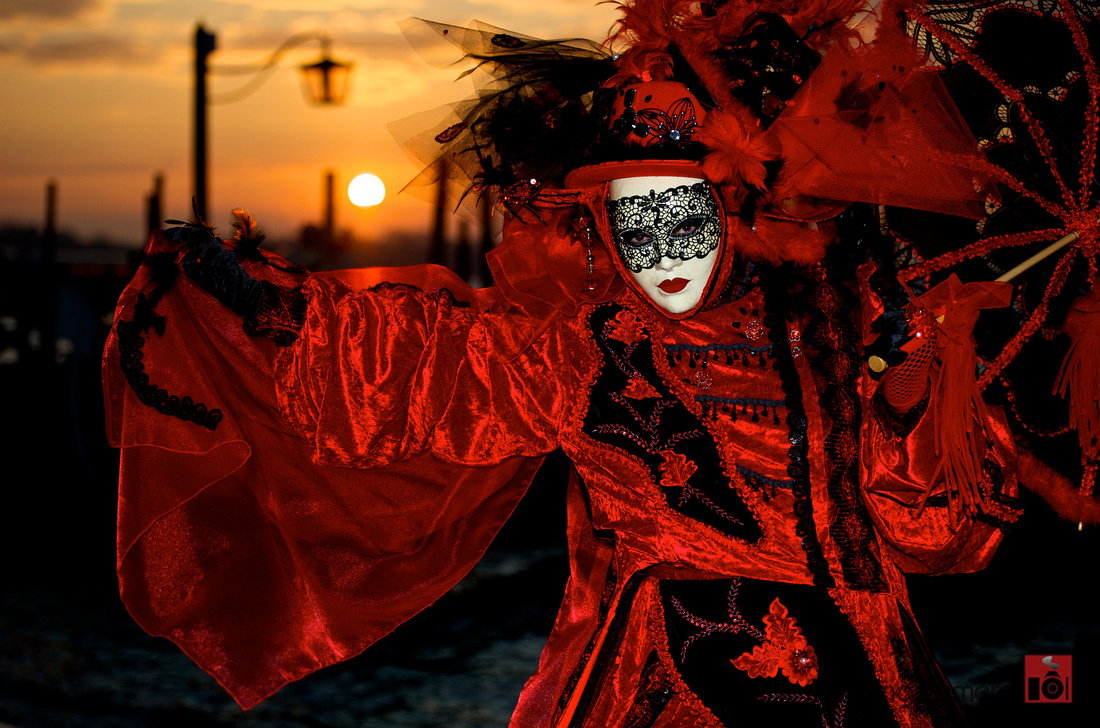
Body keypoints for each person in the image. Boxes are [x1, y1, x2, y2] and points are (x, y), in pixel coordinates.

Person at [104, 2, 1024, 726]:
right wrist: (263, 305)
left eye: (682, 210)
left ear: (737, 207)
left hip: (874, 681)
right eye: (634, 216)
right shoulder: (588, 355)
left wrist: (917, 387)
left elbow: (941, 541)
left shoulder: (840, 334)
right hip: (669, 683)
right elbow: (424, 364)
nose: (659, 245)